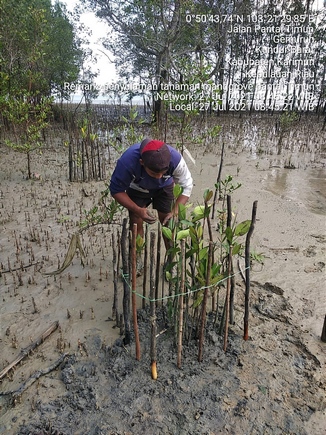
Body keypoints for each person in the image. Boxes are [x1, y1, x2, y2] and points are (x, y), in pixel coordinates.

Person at [109, 138, 193, 243]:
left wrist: (175, 211)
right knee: (136, 219)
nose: (158, 178)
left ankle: (171, 257)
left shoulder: (175, 160)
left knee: (168, 221)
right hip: (138, 187)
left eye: (163, 172)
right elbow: (116, 189)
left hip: (165, 185)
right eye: (153, 173)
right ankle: (136, 255)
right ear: (142, 163)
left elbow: (187, 185)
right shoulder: (128, 162)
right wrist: (138, 209)